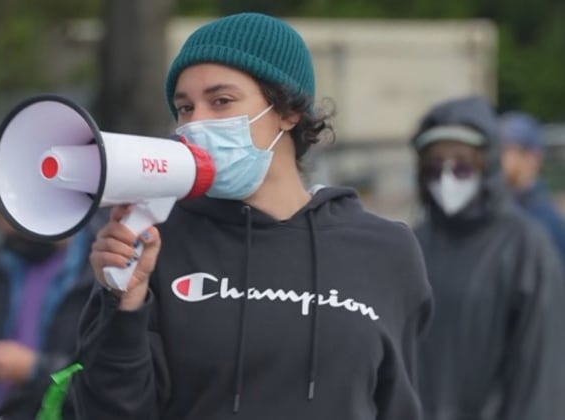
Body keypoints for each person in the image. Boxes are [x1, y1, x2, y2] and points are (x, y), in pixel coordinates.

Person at [72, 12, 433, 420]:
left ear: (288, 110)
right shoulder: (155, 242)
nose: (196, 124)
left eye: (221, 101)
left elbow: (399, 403)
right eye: (185, 108)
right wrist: (124, 305)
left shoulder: (386, 251)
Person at [410, 96, 565, 420]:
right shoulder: (414, 243)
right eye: (435, 166)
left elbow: (539, 372)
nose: (448, 178)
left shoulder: (526, 248)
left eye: (462, 165)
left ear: (487, 163)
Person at [0, 174, 100, 420]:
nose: (15, 241)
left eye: (20, 230)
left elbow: (108, 379)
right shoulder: (2, 264)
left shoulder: (102, 271)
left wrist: (33, 369)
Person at [499, 111, 565, 262]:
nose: (498, 156)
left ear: (533, 157)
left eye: (507, 149)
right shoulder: (497, 205)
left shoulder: (546, 221)